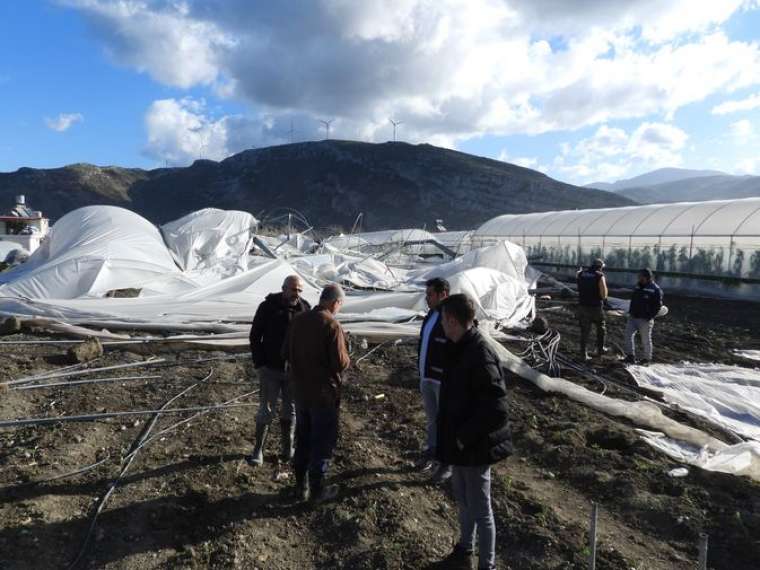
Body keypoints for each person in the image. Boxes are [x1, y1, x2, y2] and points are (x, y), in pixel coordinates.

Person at [436, 294, 512, 570]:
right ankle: (465, 547)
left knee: (481, 509)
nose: (441, 325)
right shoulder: (458, 348)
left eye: (443, 320)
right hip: (460, 445)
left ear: (453, 321)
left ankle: (487, 565)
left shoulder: (480, 354)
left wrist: (462, 437)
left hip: (475, 447)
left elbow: (497, 409)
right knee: (464, 500)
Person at [287, 283, 350, 502]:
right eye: (340, 305)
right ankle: (317, 489)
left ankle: (300, 486)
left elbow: (285, 351)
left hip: (301, 392)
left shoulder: (298, 320)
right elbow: (340, 363)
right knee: (322, 441)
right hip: (323, 395)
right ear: (336, 303)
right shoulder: (331, 325)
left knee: (303, 439)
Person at [247, 275, 310, 466]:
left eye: (299, 290)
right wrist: (260, 363)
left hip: (294, 371)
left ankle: (287, 448)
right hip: (270, 370)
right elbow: (255, 336)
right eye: (293, 289)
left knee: (290, 411)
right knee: (266, 410)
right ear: (283, 288)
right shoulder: (268, 307)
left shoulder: (305, 308)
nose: (296, 293)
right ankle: (258, 450)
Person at [417, 277, 452, 483]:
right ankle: (432, 452)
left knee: (446, 422)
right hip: (427, 377)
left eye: (430, 294)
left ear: (443, 294)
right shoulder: (432, 314)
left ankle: (446, 464)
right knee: (432, 420)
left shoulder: (450, 316)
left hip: (442, 381)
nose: (427, 298)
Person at [623, 268, 663, 365]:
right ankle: (630, 356)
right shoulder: (638, 287)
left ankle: (647, 359)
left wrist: (649, 316)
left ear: (647, 277)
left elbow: (658, 306)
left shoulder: (655, 290)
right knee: (628, 335)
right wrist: (630, 312)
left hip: (645, 319)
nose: (639, 278)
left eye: (640, 276)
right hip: (633, 317)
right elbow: (633, 300)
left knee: (645, 339)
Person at [576, 258, 609, 361]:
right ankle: (599, 350)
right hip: (595, 307)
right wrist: (605, 298)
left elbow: (579, 287)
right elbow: (603, 294)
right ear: (600, 267)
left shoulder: (581, 274)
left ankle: (583, 354)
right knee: (601, 328)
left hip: (583, 306)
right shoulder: (599, 276)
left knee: (584, 331)